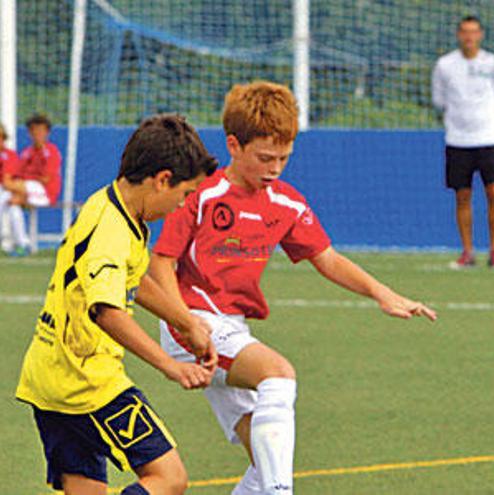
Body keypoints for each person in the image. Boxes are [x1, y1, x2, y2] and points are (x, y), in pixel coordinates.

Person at [149, 81, 437, 495]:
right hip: (192, 321)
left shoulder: (285, 203)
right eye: (265, 157)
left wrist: (382, 293)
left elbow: (328, 258)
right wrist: (183, 322)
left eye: (284, 157)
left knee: (265, 462)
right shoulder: (201, 194)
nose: (275, 168)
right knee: (279, 376)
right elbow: (161, 264)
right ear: (233, 145)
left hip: (231, 330)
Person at [15, 114, 220, 495]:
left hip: (49, 376)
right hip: (87, 381)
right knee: (170, 479)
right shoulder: (112, 230)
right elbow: (106, 310)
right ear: (161, 180)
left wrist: (186, 322)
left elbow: (133, 278)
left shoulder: (110, 205)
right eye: (185, 194)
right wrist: (170, 365)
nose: (181, 205)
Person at [432, 15, 494, 270]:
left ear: (481, 35)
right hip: (457, 139)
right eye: (465, 32)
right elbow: (439, 100)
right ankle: (467, 252)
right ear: (458, 35)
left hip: (488, 138)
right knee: (463, 195)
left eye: (474, 32)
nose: (469, 37)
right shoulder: (445, 65)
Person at [0, 114, 63, 255]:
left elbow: (46, 179)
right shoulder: (26, 153)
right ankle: (23, 245)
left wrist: (20, 185)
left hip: (45, 193)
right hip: (26, 190)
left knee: (6, 189)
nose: (37, 134)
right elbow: (18, 175)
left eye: (40, 131)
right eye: (34, 131)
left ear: (47, 132)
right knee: (12, 205)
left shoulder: (51, 152)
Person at [0, 123, 18, 251]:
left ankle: (22, 243)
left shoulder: (9, 155)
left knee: (14, 209)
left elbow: (7, 179)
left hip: (7, 191)